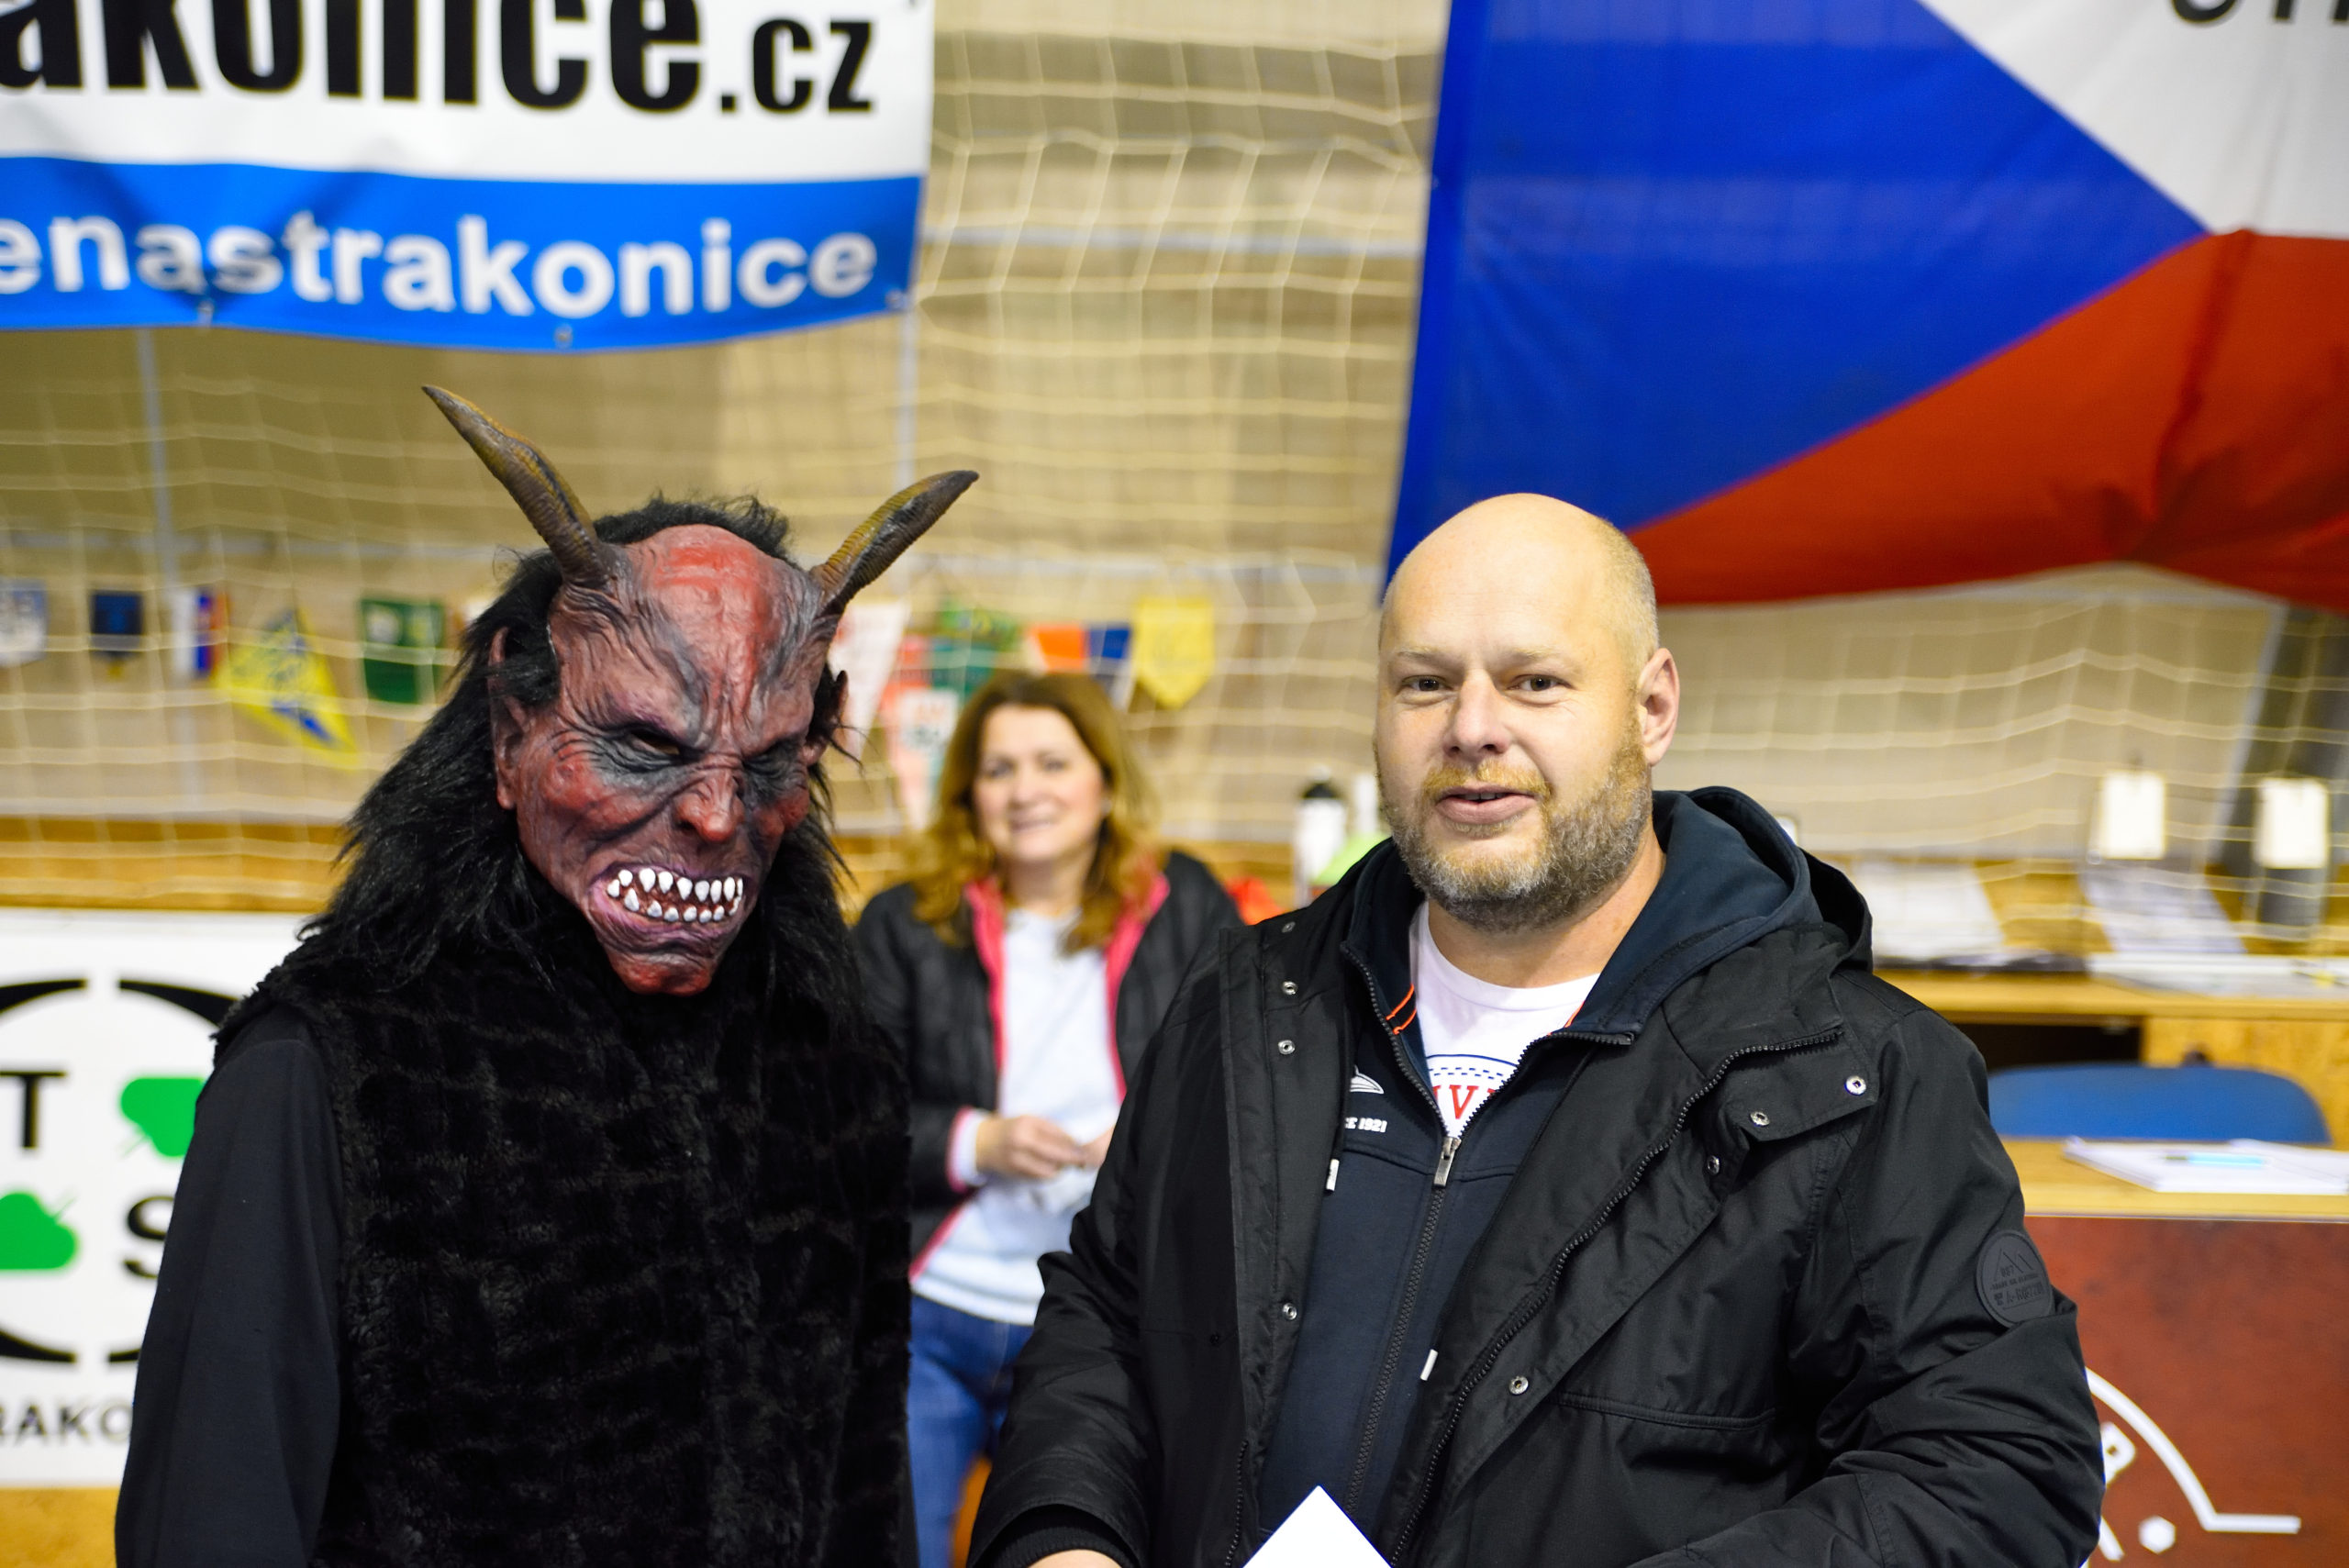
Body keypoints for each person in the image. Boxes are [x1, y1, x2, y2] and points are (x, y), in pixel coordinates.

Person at [968, 496, 2105, 1568]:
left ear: (1651, 707)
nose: (1472, 728)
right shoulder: (1251, 1001)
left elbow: (1994, 1466)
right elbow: (1107, 1312)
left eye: (1534, 681)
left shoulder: (1844, 1068)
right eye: (1424, 683)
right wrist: (1065, 1532)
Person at [115, 388, 974, 1567]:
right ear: (513, 727)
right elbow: (216, 1508)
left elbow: (863, 1488)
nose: (716, 814)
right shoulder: (332, 1071)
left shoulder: (830, 1068)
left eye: (770, 760)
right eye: (643, 745)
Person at [855, 671, 1242, 1568]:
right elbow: (843, 1120)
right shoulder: (902, 923)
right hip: (934, 1311)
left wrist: (1147, 1140)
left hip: (1102, 1321)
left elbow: (1241, 1083)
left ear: (1104, 780)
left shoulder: (1187, 905)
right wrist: (976, 1141)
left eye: (1052, 763)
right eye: (998, 769)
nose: (1024, 789)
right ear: (969, 793)